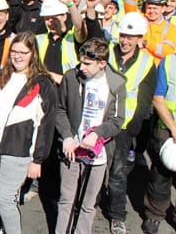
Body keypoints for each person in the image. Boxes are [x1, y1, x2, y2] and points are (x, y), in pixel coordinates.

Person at [0, 32, 57, 234]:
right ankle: (7, 229)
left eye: (23, 52)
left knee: (4, 198)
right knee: (6, 196)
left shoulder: (42, 83)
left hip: (17, 149)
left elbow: (46, 125)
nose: (17, 56)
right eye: (14, 51)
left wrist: (37, 159)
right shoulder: (0, 75)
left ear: (33, 54)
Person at [55, 37, 125, 234]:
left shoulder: (116, 84)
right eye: (81, 61)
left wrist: (97, 134)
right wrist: (67, 137)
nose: (82, 67)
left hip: (98, 153)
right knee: (66, 199)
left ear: (102, 63)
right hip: (72, 148)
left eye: (87, 63)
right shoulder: (71, 77)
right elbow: (60, 110)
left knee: (88, 203)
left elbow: (117, 120)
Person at [142, 20, 176, 234]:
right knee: (161, 174)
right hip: (170, 128)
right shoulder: (169, 62)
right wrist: (175, 131)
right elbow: (157, 98)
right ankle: (154, 215)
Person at [105, 12, 156, 234]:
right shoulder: (106, 52)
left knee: (117, 173)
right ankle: (87, 204)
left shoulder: (147, 62)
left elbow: (145, 98)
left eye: (130, 37)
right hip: (101, 121)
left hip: (124, 126)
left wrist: (134, 125)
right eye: (123, 36)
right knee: (92, 166)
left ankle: (117, 216)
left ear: (139, 39)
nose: (125, 41)